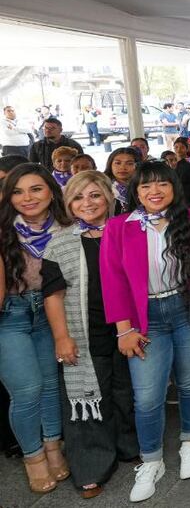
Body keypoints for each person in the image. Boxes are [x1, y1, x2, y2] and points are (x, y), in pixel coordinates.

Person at [100, 161, 190, 502]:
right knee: (147, 395)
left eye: (162, 184)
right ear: (135, 192)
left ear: (174, 187)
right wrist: (123, 329)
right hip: (144, 318)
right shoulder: (118, 227)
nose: (154, 191)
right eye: (145, 186)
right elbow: (112, 281)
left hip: (186, 309)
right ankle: (151, 460)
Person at [56, 171, 140, 498]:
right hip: (86, 330)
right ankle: (92, 464)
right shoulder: (61, 241)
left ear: (108, 196)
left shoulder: (126, 230)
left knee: (125, 389)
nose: (87, 203)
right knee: (93, 394)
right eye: (78, 197)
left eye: (94, 195)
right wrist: (62, 337)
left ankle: (128, 445)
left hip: (129, 325)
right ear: (68, 203)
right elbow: (53, 296)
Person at [0, 164, 73, 494]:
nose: (27, 198)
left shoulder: (67, 227)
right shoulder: (4, 229)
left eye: (35, 189)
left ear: (51, 191)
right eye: (18, 191)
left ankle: (53, 447)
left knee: (49, 386)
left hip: (49, 313)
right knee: (27, 390)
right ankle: (33, 457)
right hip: (10, 316)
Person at [105, 146, 140, 214]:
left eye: (129, 163)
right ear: (110, 165)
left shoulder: (143, 187)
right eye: (118, 163)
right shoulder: (103, 186)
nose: (123, 167)